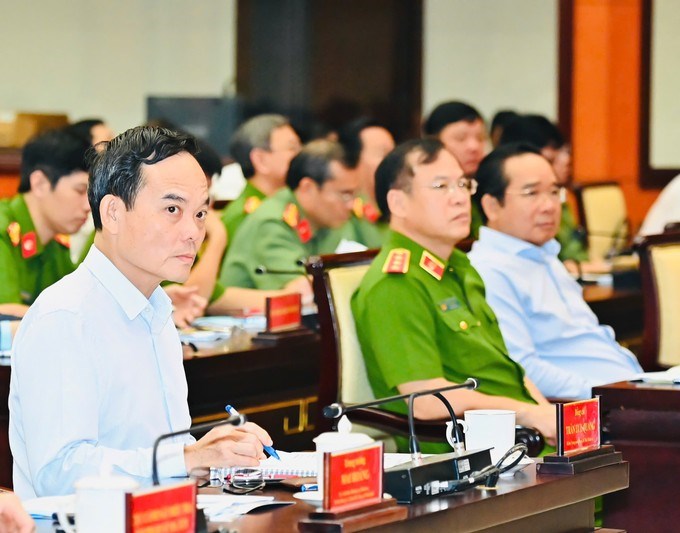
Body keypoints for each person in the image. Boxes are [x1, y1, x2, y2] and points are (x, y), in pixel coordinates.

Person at [9, 126, 273, 498]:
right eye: (172, 209)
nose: (193, 232)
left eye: (200, 213)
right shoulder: (65, 317)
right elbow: (59, 473)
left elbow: (160, 452)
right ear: (113, 213)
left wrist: (214, 452)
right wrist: (188, 459)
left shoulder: (157, 311)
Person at [351, 138, 556, 454]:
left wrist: (548, 415)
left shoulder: (459, 267)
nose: (460, 198)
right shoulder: (396, 284)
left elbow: (505, 367)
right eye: (441, 186)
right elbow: (425, 399)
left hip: (523, 439)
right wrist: (527, 414)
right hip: (472, 454)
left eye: (462, 184)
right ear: (398, 203)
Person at [468, 143, 642, 400]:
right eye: (531, 193)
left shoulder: (545, 256)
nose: (549, 206)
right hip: (590, 407)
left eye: (553, 191)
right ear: (492, 206)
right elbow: (522, 369)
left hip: (626, 390)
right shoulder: (488, 271)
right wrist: (606, 395)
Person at [220, 139, 359, 303]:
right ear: (307, 188)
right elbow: (305, 291)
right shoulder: (272, 222)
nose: (351, 204)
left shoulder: (331, 219)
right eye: (344, 194)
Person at [0, 129, 90, 318]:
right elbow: (5, 316)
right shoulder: (3, 232)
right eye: (80, 191)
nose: (88, 206)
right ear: (40, 183)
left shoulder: (56, 244)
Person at [498, 114, 592, 268]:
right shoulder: (509, 205)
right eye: (550, 160)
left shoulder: (559, 198)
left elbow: (575, 255)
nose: (564, 162)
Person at [220, 114, 301, 248]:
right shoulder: (244, 217)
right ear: (260, 160)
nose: (302, 155)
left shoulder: (294, 204)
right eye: (292, 148)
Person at [422, 101, 488, 238]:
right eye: (460, 138)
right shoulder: (425, 194)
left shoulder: (487, 189)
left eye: (480, 138)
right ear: (433, 142)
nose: (474, 147)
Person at [337, 117, 395, 244]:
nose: (393, 163)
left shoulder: (396, 209)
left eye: (393, 154)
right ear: (352, 160)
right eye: (383, 154)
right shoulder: (343, 211)